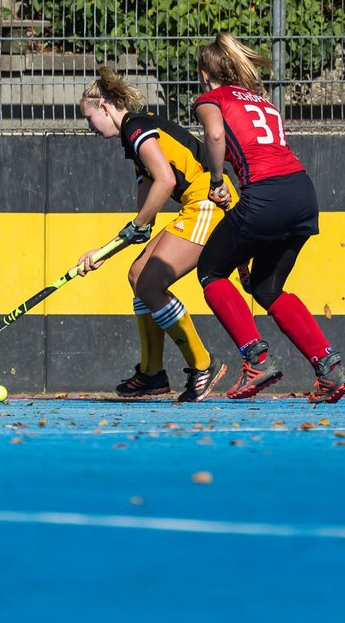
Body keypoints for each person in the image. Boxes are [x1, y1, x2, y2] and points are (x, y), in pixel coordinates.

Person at [192, 32, 345, 403]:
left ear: (205, 74)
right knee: (266, 289)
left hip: (265, 195)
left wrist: (217, 181)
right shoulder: (263, 102)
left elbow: (216, 136)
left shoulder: (210, 99)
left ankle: (256, 359)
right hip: (301, 195)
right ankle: (329, 369)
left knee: (211, 271)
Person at [76, 67, 233, 402]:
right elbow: (146, 200)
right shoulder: (133, 138)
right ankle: (151, 373)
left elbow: (166, 182)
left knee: (150, 284)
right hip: (194, 205)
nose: (90, 128)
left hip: (208, 202)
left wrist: (134, 227)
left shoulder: (135, 127)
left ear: (105, 107)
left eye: (90, 119)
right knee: (137, 275)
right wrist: (117, 243)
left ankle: (203, 364)